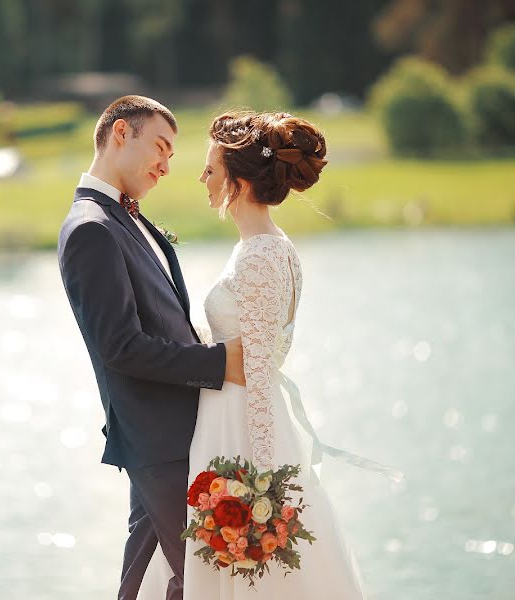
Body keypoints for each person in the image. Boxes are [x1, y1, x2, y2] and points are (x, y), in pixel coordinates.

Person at [136, 110, 401, 600]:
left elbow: (256, 375)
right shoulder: (266, 247)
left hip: (239, 429)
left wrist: (258, 489)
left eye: (211, 168)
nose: (203, 178)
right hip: (233, 418)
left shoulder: (260, 255)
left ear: (238, 180)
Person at [57, 95, 247, 600]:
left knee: (149, 581)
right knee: (207, 578)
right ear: (121, 133)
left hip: (169, 435)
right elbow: (121, 347)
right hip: (158, 440)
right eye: (160, 147)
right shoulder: (91, 230)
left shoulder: (121, 219)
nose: (167, 165)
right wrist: (220, 363)